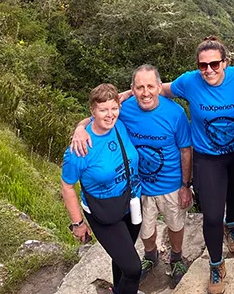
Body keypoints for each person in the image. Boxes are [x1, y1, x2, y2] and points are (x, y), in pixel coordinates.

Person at [71, 66, 194, 287]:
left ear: (159, 87)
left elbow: (186, 149)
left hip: (171, 184)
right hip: (139, 187)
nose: (145, 92)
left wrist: (186, 185)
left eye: (150, 86)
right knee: (145, 228)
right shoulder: (124, 110)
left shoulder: (175, 113)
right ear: (132, 89)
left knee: (175, 224)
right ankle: (150, 256)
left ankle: (176, 257)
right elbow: (99, 116)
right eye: (139, 87)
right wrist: (79, 129)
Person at [165, 37, 234, 294]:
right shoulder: (189, 82)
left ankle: (232, 225)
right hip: (206, 157)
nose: (208, 70)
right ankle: (216, 264)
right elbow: (158, 90)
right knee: (212, 215)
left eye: (215, 64)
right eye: (203, 65)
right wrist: (127, 95)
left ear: (225, 63)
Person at [62, 84, 142, 294]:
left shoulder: (119, 124)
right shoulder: (80, 148)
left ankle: (117, 289)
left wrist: (134, 91)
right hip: (103, 212)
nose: (110, 115)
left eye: (113, 109)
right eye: (103, 110)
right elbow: (67, 186)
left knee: (122, 258)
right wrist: (77, 224)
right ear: (92, 111)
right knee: (134, 269)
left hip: (131, 203)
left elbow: (122, 97)